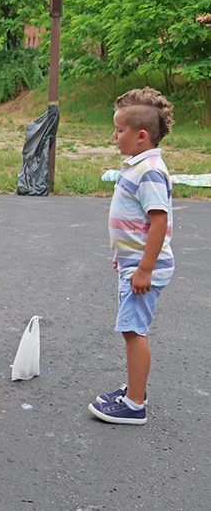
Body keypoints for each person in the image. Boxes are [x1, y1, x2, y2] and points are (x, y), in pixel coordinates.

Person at [88, 87, 175, 426]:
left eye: (120, 130)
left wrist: (144, 269)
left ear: (141, 135)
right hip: (134, 264)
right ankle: (133, 390)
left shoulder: (150, 170)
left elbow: (159, 221)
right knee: (131, 329)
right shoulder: (139, 164)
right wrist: (126, 258)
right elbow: (136, 223)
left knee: (133, 331)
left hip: (144, 269)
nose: (114, 136)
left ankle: (135, 404)